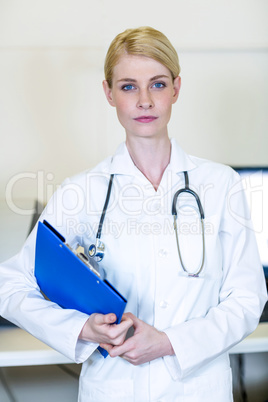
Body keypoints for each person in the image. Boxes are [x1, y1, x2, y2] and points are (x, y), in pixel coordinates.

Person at [0, 26, 267, 402]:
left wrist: (169, 343)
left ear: (176, 88)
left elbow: (246, 300)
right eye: (128, 86)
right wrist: (82, 329)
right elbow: (10, 285)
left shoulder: (220, 185)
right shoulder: (81, 191)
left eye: (157, 85)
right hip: (113, 389)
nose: (144, 101)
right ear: (108, 93)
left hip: (198, 389)